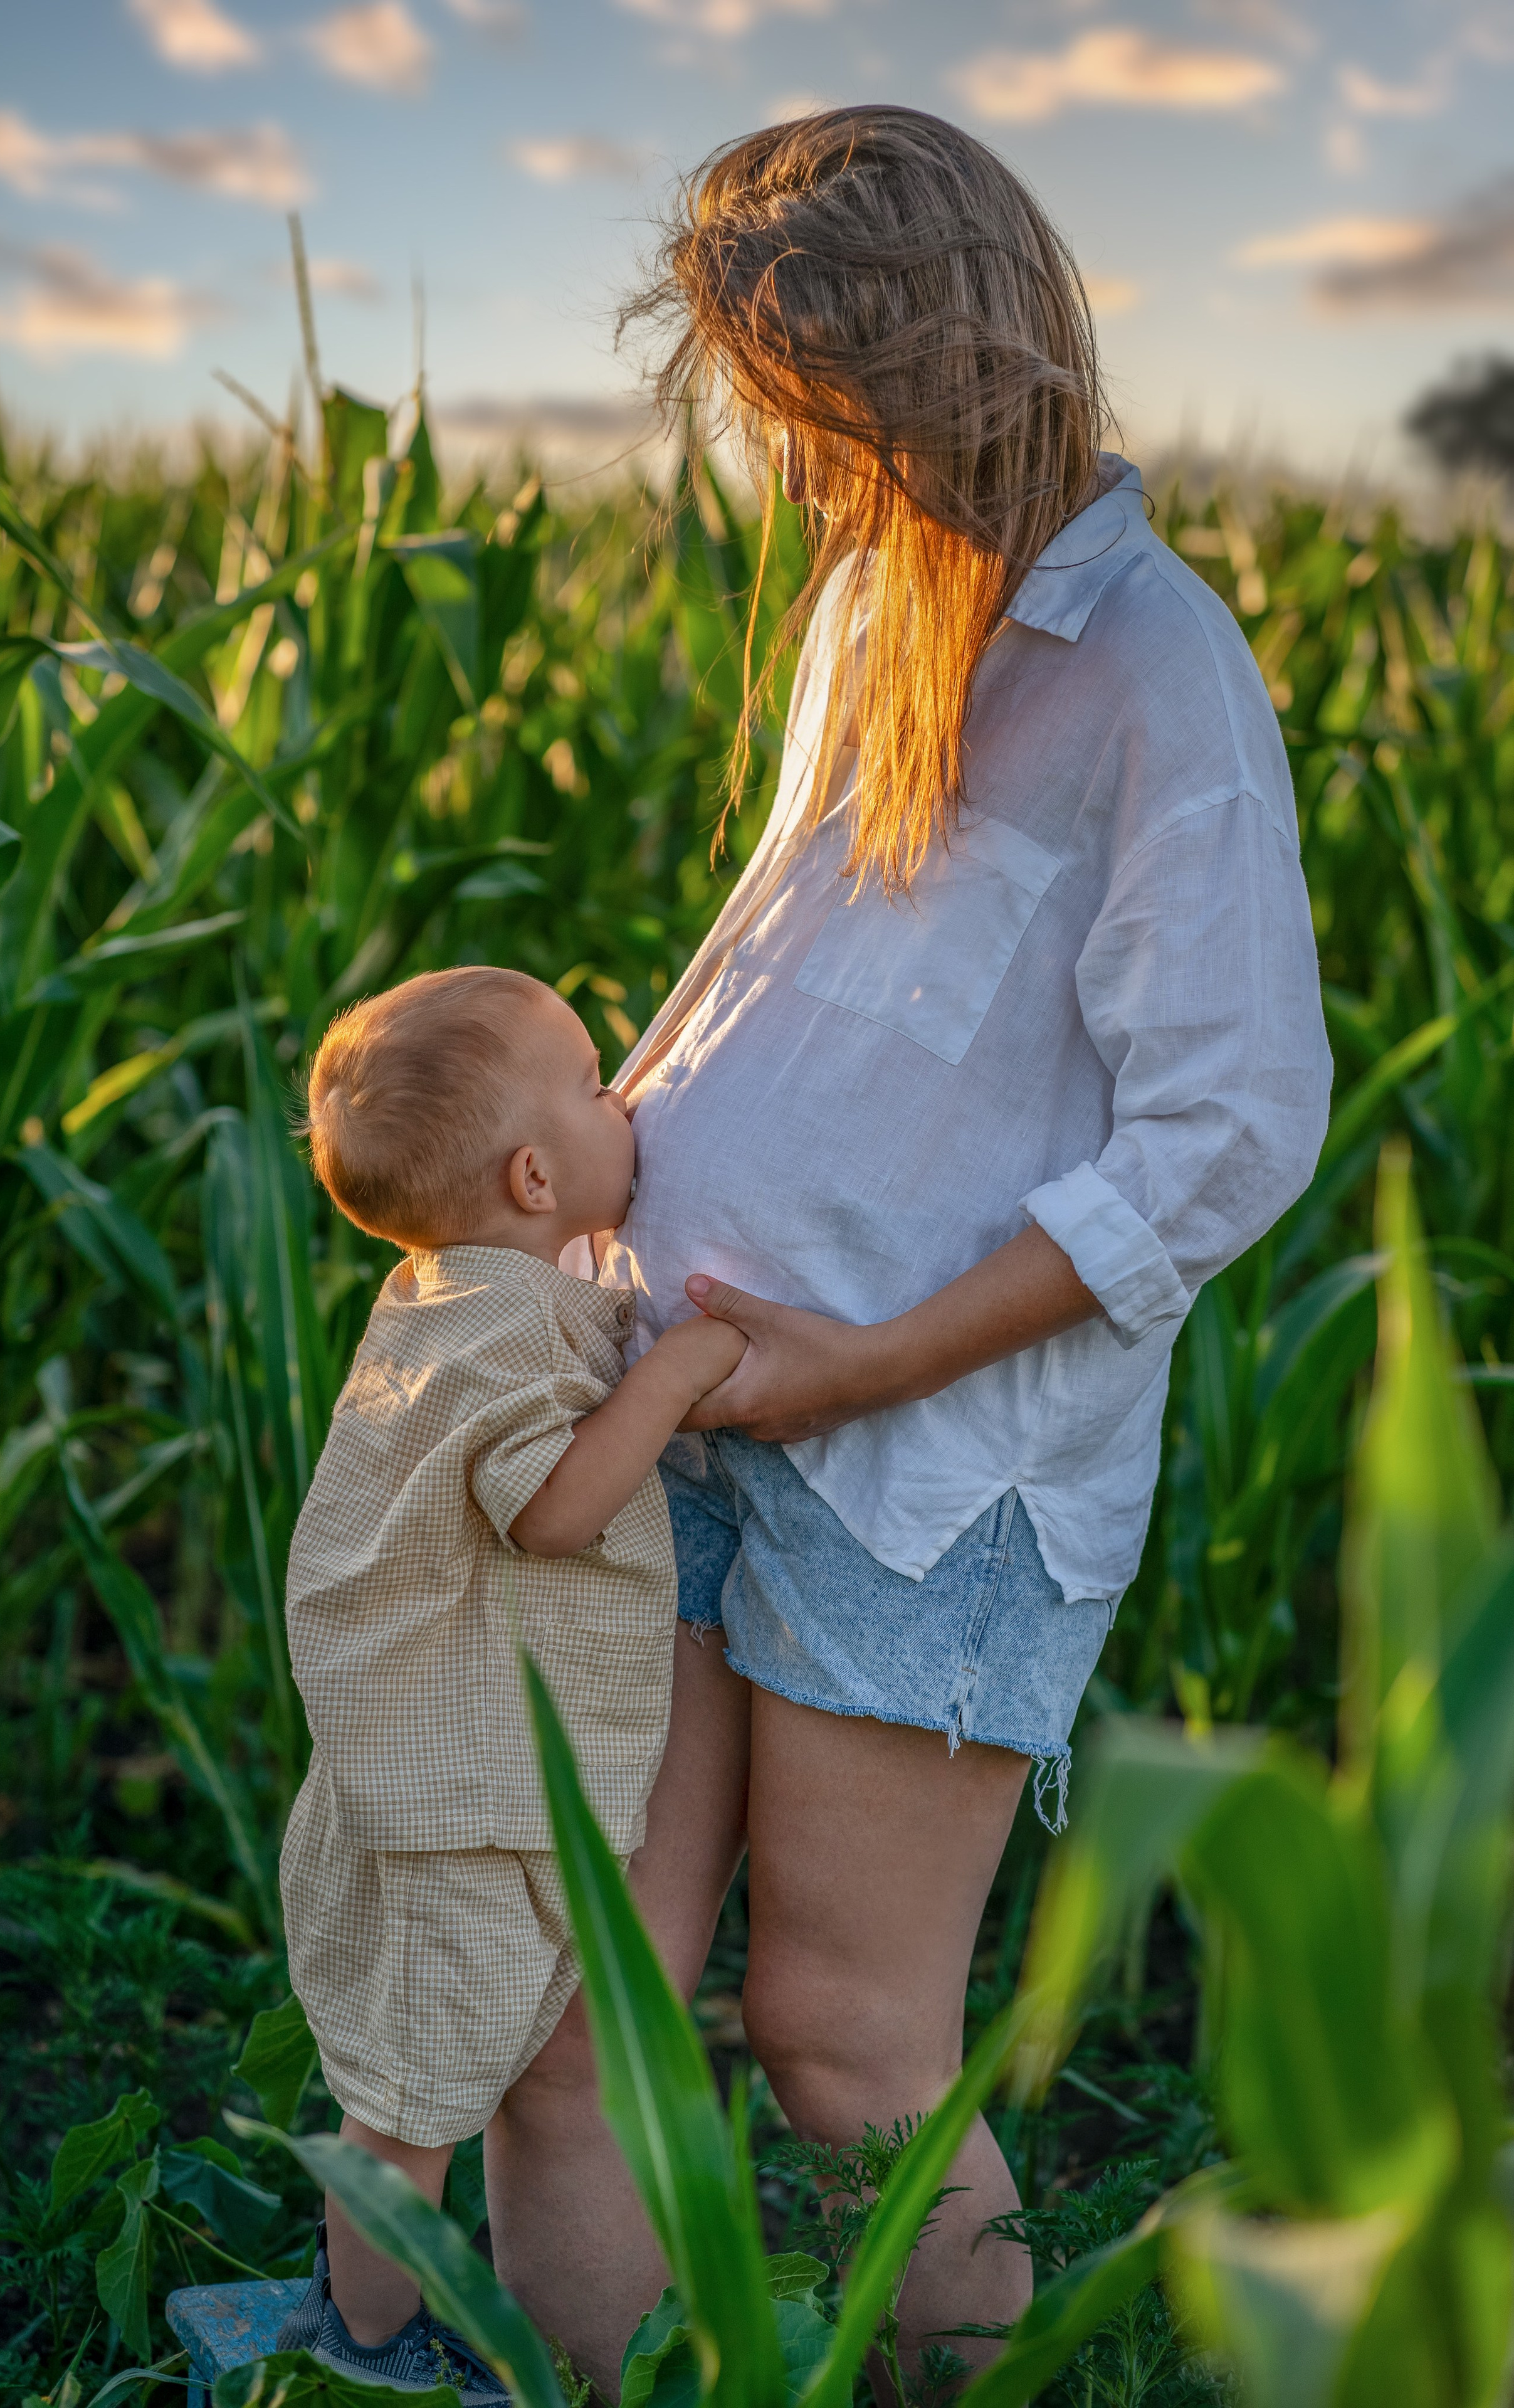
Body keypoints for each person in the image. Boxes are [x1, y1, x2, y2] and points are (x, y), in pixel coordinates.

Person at [482, 108, 1333, 2387]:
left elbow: (1231, 1130)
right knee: (574, 2007)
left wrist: (863, 1365)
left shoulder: (1155, 669)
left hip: (930, 1471)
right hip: (680, 1399)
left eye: (816, 403)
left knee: (843, 2039)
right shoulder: (881, 598)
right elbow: (814, 978)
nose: (790, 460)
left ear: (943, 357)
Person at [273, 966, 744, 2392]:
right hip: (458, 1816)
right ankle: (365, 2346)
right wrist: (675, 1375)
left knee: (428, 2073)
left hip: (440, 1785)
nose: (629, 1100)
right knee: (415, 2100)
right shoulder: (504, 1332)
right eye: (599, 1083)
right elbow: (552, 1510)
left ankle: (364, 2303)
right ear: (535, 1177)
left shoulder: (449, 1295)